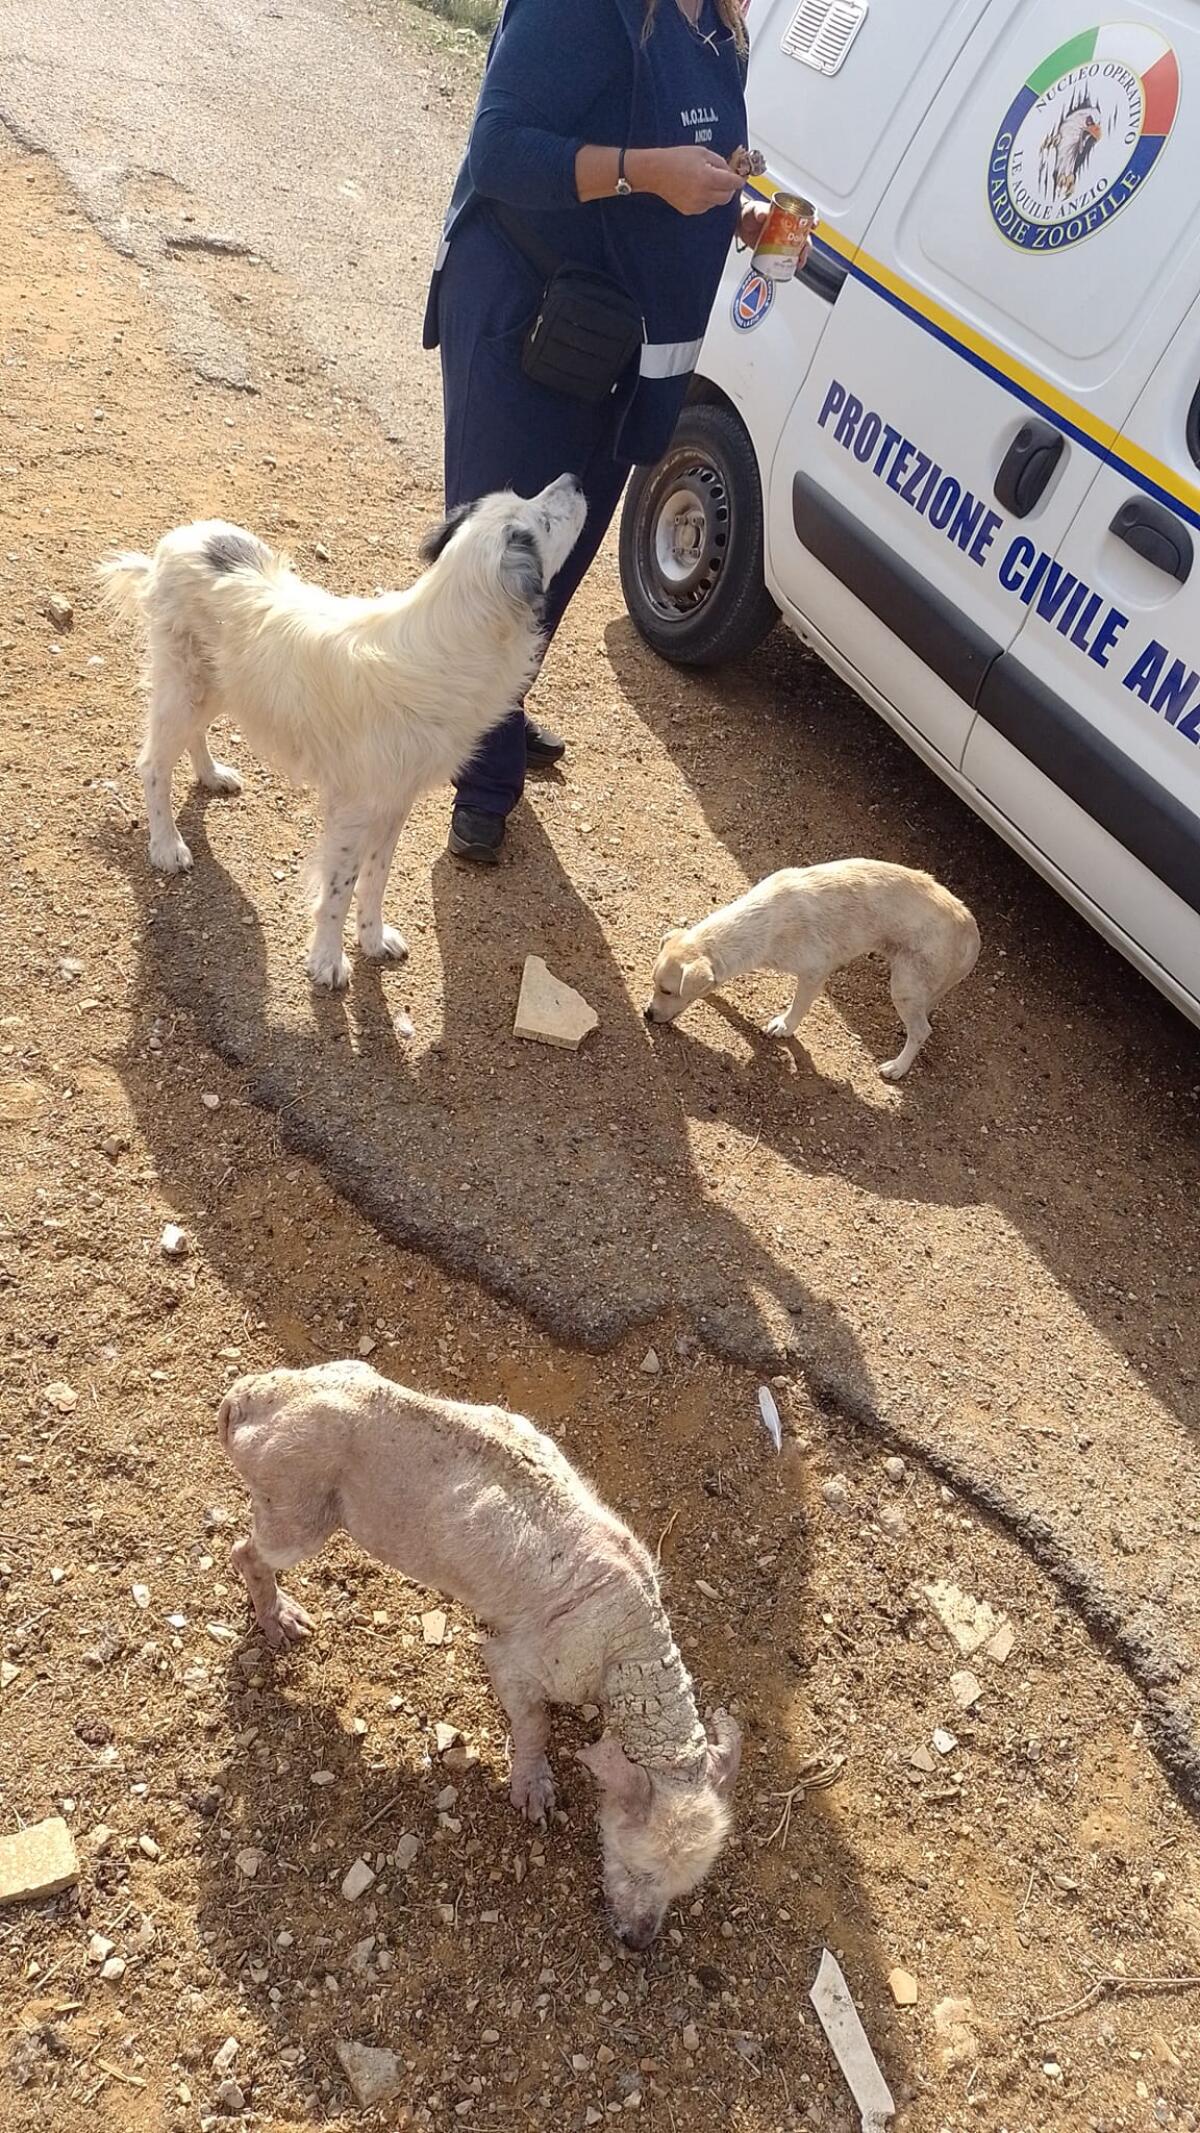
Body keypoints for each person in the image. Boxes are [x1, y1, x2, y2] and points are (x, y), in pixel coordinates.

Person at [423, 0, 793, 863]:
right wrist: (647, 172)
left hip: (615, 336)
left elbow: (673, 169)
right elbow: (502, 149)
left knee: (569, 537)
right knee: (499, 547)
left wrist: (725, 208)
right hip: (527, 311)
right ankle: (476, 774)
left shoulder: (717, 27)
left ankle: (496, 708)